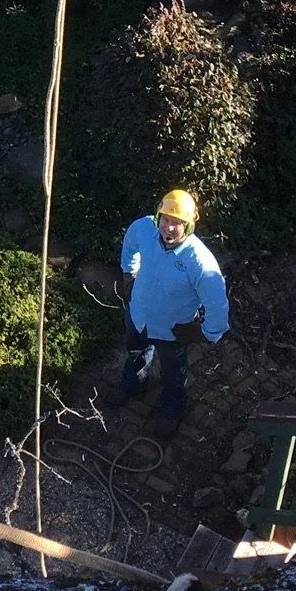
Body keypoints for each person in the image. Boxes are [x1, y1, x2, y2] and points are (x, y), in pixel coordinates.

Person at [112, 188, 230, 441]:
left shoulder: (200, 263)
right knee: (136, 352)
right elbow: (130, 244)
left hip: (172, 331)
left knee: (173, 372)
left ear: (188, 226)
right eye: (165, 219)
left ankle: (171, 407)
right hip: (139, 317)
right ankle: (132, 384)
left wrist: (203, 333)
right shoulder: (145, 229)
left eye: (177, 223)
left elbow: (217, 305)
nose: (168, 227)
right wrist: (128, 274)